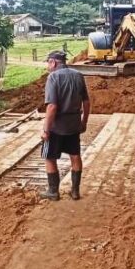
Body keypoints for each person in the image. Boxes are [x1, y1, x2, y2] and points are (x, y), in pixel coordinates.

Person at [40, 50, 91, 201]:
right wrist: (84, 122)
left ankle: (53, 191)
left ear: (53, 62)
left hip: (56, 126)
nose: (48, 66)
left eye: (48, 63)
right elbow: (86, 102)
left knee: (49, 157)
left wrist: (46, 130)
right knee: (75, 156)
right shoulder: (78, 75)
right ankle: (75, 191)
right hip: (74, 125)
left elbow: (52, 107)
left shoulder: (53, 77)